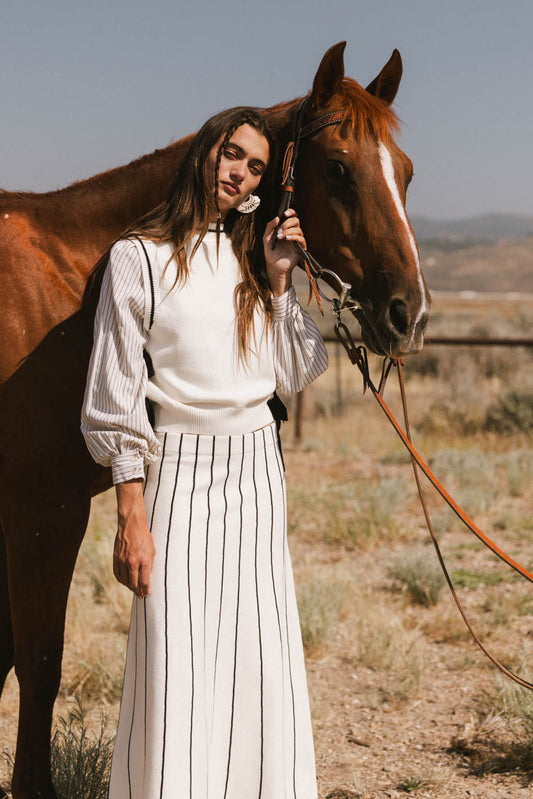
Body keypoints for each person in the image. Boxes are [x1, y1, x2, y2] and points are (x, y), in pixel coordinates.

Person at [81, 106, 328, 799]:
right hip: (178, 476)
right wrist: (131, 512)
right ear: (204, 151)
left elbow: (295, 372)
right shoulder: (137, 258)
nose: (239, 170)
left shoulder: (253, 257)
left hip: (256, 471)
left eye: (253, 164)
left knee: (260, 656)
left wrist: (279, 281)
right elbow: (115, 395)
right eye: (231, 152)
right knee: (175, 660)